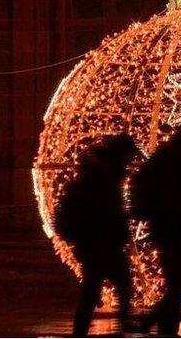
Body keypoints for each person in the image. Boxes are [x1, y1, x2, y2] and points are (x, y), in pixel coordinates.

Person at [130, 116, 181, 337]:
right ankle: (155, 324)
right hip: (170, 229)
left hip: (180, 229)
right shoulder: (172, 156)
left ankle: (164, 328)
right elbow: (143, 181)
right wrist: (159, 210)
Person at [54, 133, 139, 337]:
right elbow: (102, 211)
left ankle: (95, 330)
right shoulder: (98, 180)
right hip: (98, 243)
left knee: (100, 290)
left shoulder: (103, 176)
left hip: (100, 243)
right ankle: (117, 328)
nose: (130, 164)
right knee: (111, 287)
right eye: (129, 159)